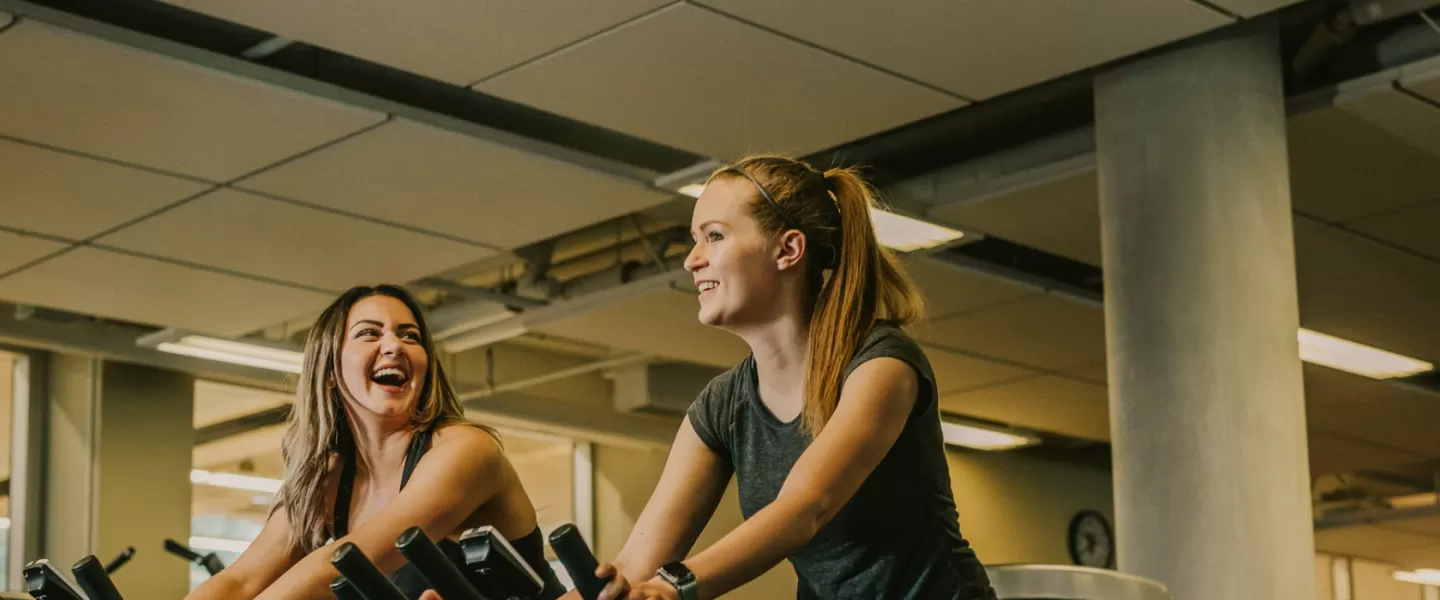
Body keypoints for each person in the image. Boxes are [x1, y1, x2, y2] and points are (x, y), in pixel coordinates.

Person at [585, 156, 997, 600]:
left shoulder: (881, 364)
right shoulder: (722, 406)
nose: (691, 260)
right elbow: (633, 565)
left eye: (714, 236)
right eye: (694, 240)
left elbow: (806, 509)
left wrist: (676, 585)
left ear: (788, 250)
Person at [185, 284, 567, 600]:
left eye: (409, 336)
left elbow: (342, 562)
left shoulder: (464, 451)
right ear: (330, 370)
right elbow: (240, 582)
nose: (394, 345)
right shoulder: (326, 480)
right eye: (370, 332)